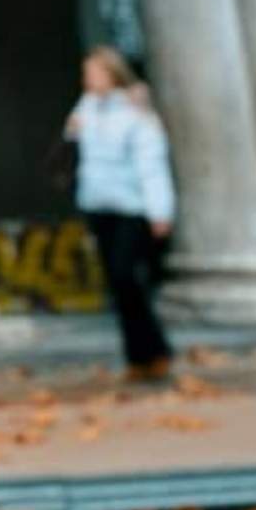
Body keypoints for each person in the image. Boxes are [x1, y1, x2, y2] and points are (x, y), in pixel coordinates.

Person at [65, 45, 175, 379]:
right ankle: (137, 358)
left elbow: (150, 164)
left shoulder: (135, 113)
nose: (88, 79)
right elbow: (72, 145)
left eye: (94, 72)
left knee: (128, 276)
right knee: (117, 282)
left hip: (131, 206)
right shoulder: (87, 107)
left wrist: (160, 210)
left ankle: (156, 351)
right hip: (98, 204)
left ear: (112, 75)